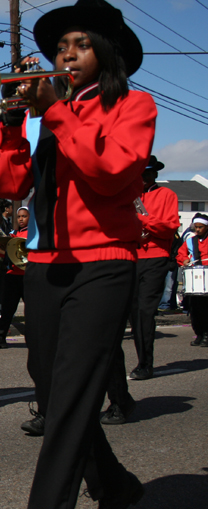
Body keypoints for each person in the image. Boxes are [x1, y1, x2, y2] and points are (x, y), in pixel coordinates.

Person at [0, 0, 153, 509]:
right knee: (52, 394)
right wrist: (10, 128)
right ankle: (117, 487)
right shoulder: (47, 117)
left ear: (107, 52)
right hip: (45, 263)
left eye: (79, 45)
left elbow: (110, 173)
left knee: (75, 394)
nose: (66, 55)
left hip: (103, 262)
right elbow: (4, 187)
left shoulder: (133, 104)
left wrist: (55, 110)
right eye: (60, 48)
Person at [101, 156, 180, 425]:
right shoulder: (130, 194)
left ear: (153, 175)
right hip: (131, 255)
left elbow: (169, 226)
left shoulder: (167, 194)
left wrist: (143, 219)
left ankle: (145, 363)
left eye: (145, 174)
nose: (142, 179)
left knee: (145, 311)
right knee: (130, 312)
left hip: (155, 256)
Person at [0, 206, 29, 349]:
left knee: (31, 309)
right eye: (19, 217)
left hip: (28, 276)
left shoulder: (34, 234)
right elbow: (6, 254)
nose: (21, 219)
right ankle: (0, 337)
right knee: (7, 309)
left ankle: (34, 337)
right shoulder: (13, 233)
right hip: (12, 275)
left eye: (24, 216)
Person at [177, 214, 208, 346]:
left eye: (200, 227)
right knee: (195, 309)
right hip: (195, 280)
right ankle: (199, 333)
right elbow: (181, 254)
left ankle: (206, 334)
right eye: (196, 227)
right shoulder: (190, 240)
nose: (198, 230)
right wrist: (183, 260)